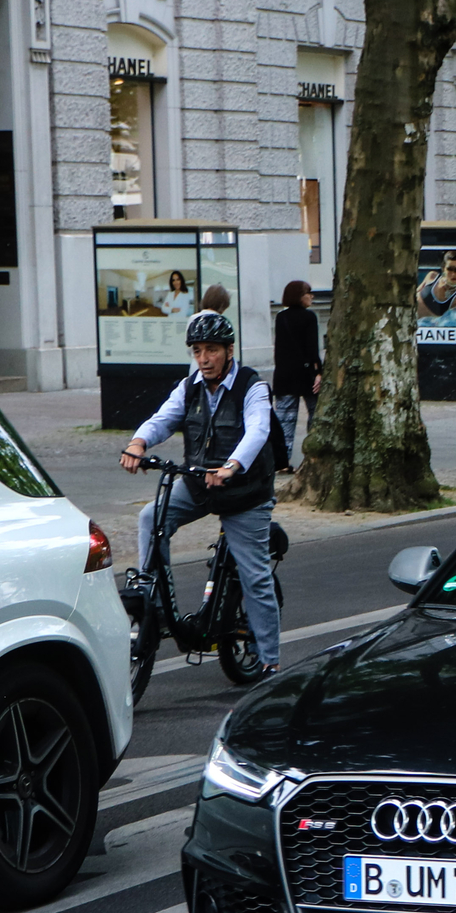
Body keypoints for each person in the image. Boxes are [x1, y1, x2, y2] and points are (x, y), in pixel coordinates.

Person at [120, 313, 283, 674]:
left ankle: (269, 659)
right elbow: (165, 417)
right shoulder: (190, 386)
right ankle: (158, 610)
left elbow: (257, 431)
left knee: (254, 574)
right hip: (198, 484)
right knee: (151, 518)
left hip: (244, 492)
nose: (204, 358)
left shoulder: (252, 387)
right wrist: (138, 442)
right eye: (197, 351)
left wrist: (232, 466)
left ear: (228, 350)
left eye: (211, 350)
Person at [273, 279, 321, 465]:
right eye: (308, 292)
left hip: (284, 376)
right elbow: (312, 349)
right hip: (306, 375)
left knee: (285, 422)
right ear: (300, 296)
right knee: (316, 416)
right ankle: (313, 459)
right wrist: (318, 372)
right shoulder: (309, 317)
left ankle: (282, 462)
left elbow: (280, 350)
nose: (311, 296)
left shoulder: (280, 317)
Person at [416, 250, 456, 319]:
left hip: (418, 325)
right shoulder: (432, 277)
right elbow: (413, 293)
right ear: (444, 269)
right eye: (450, 269)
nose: (453, 274)